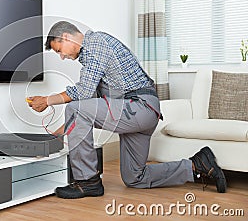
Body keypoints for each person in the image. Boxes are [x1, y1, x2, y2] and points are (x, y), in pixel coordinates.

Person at [27, 21, 227, 199]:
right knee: (135, 177)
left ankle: (88, 182)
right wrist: (60, 132)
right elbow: (92, 104)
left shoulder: (95, 43)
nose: (62, 57)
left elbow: (83, 92)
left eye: (59, 50)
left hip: (138, 107)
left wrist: (47, 100)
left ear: (66, 36)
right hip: (141, 111)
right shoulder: (93, 54)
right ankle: (197, 165)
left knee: (74, 107)